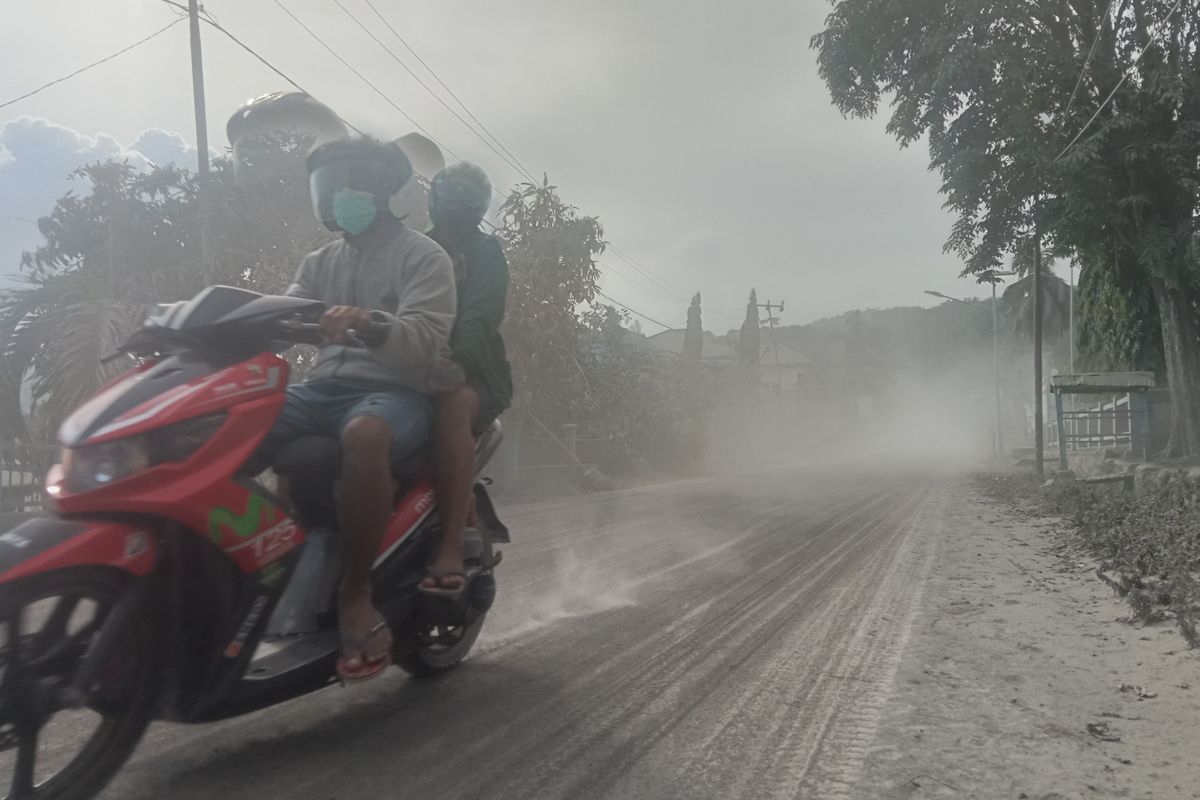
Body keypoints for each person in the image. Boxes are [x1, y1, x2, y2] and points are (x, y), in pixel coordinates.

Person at [264, 136, 456, 682]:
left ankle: (356, 593)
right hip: (321, 389)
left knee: (367, 435)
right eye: (331, 186)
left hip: (397, 393)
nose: (340, 197)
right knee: (232, 420)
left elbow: (422, 340)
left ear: (388, 190)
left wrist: (370, 323)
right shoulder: (319, 260)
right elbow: (284, 314)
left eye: (354, 182)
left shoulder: (424, 256)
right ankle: (255, 571)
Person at [418, 163, 513, 597]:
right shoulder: (415, 246)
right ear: (434, 197)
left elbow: (480, 313)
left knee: (451, 408)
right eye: (449, 193)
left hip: (472, 373)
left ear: (479, 206)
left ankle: (452, 544)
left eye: (466, 196)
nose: (456, 203)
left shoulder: (486, 252)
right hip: (405, 365)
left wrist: (453, 360)